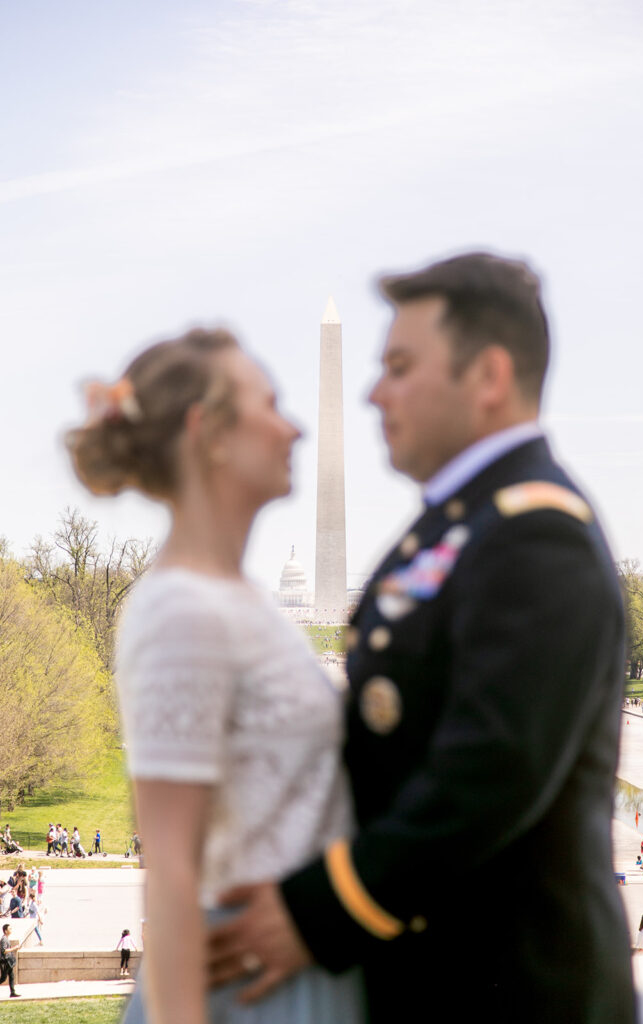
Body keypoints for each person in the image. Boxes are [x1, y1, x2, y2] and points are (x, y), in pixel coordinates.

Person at [207, 252, 636, 1023]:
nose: (373, 392)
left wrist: (318, 909)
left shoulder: (536, 535)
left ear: (489, 378)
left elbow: (490, 769)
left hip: (509, 988)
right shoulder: (456, 528)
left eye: (400, 366)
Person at [66, 327, 365, 1024]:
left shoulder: (229, 597)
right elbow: (170, 874)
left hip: (290, 975)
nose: (294, 428)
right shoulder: (180, 609)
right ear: (211, 433)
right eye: (270, 404)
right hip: (248, 996)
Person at [0, 923, 20, 997]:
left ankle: (12, 992)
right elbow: (4, 951)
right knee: (3, 978)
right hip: (4, 962)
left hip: (8, 961)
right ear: (5, 931)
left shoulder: (6, 938)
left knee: (11, 976)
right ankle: (12, 992)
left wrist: (15, 948)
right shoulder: (4, 939)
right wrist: (14, 948)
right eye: (10, 929)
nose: (11, 930)